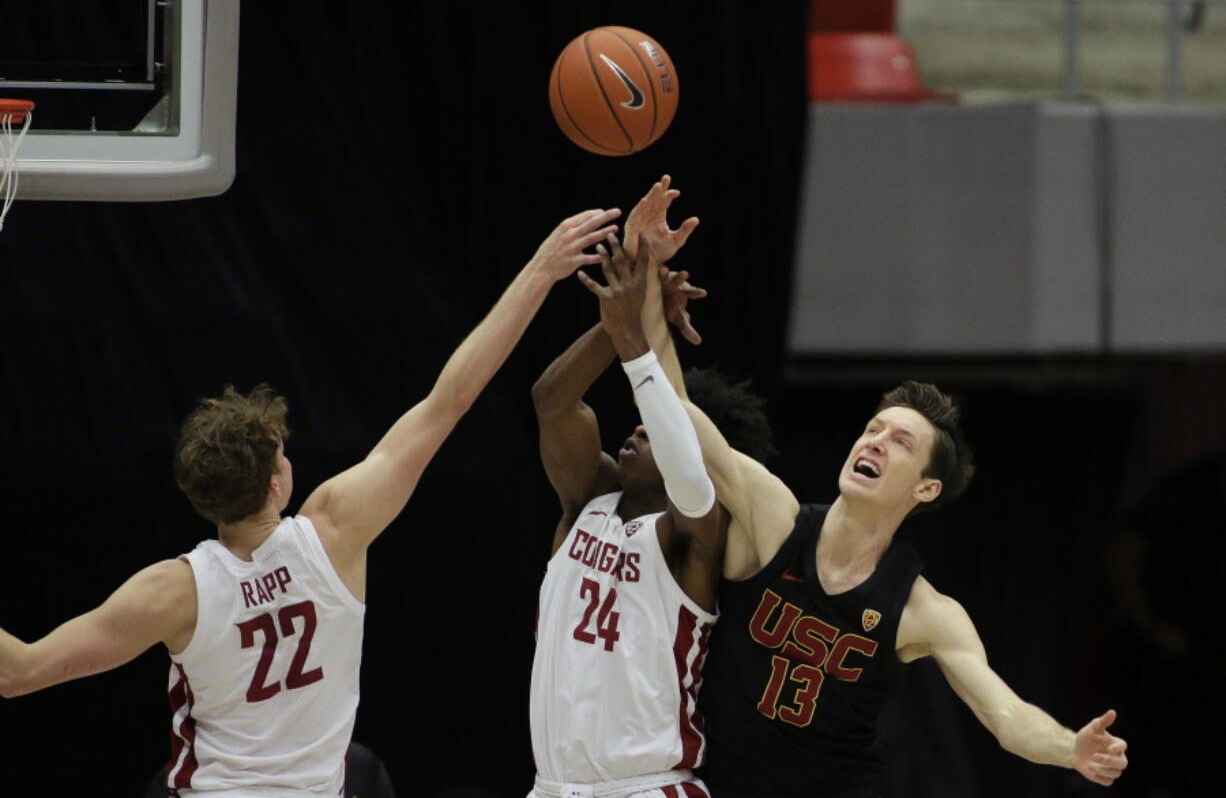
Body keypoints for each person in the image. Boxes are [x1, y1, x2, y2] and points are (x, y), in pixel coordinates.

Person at [0, 206, 621, 795]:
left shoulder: (173, 591)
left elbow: (20, 672)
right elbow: (451, 397)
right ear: (276, 483)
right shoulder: (334, 529)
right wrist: (542, 268)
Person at [622, 188, 1129, 796]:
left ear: (926, 488)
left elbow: (1006, 717)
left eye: (900, 443)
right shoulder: (774, 519)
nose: (875, 443)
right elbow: (676, 411)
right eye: (873, 429)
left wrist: (1069, 748)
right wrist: (646, 276)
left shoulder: (923, 611)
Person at [527, 179, 764, 798]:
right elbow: (553, 402)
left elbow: (690, 476)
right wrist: (633, 306)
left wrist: (637, 336)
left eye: (657, 430)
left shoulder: (692, 534)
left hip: (647, 789)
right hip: (550, 787)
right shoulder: (590, 500)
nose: (638, 426)